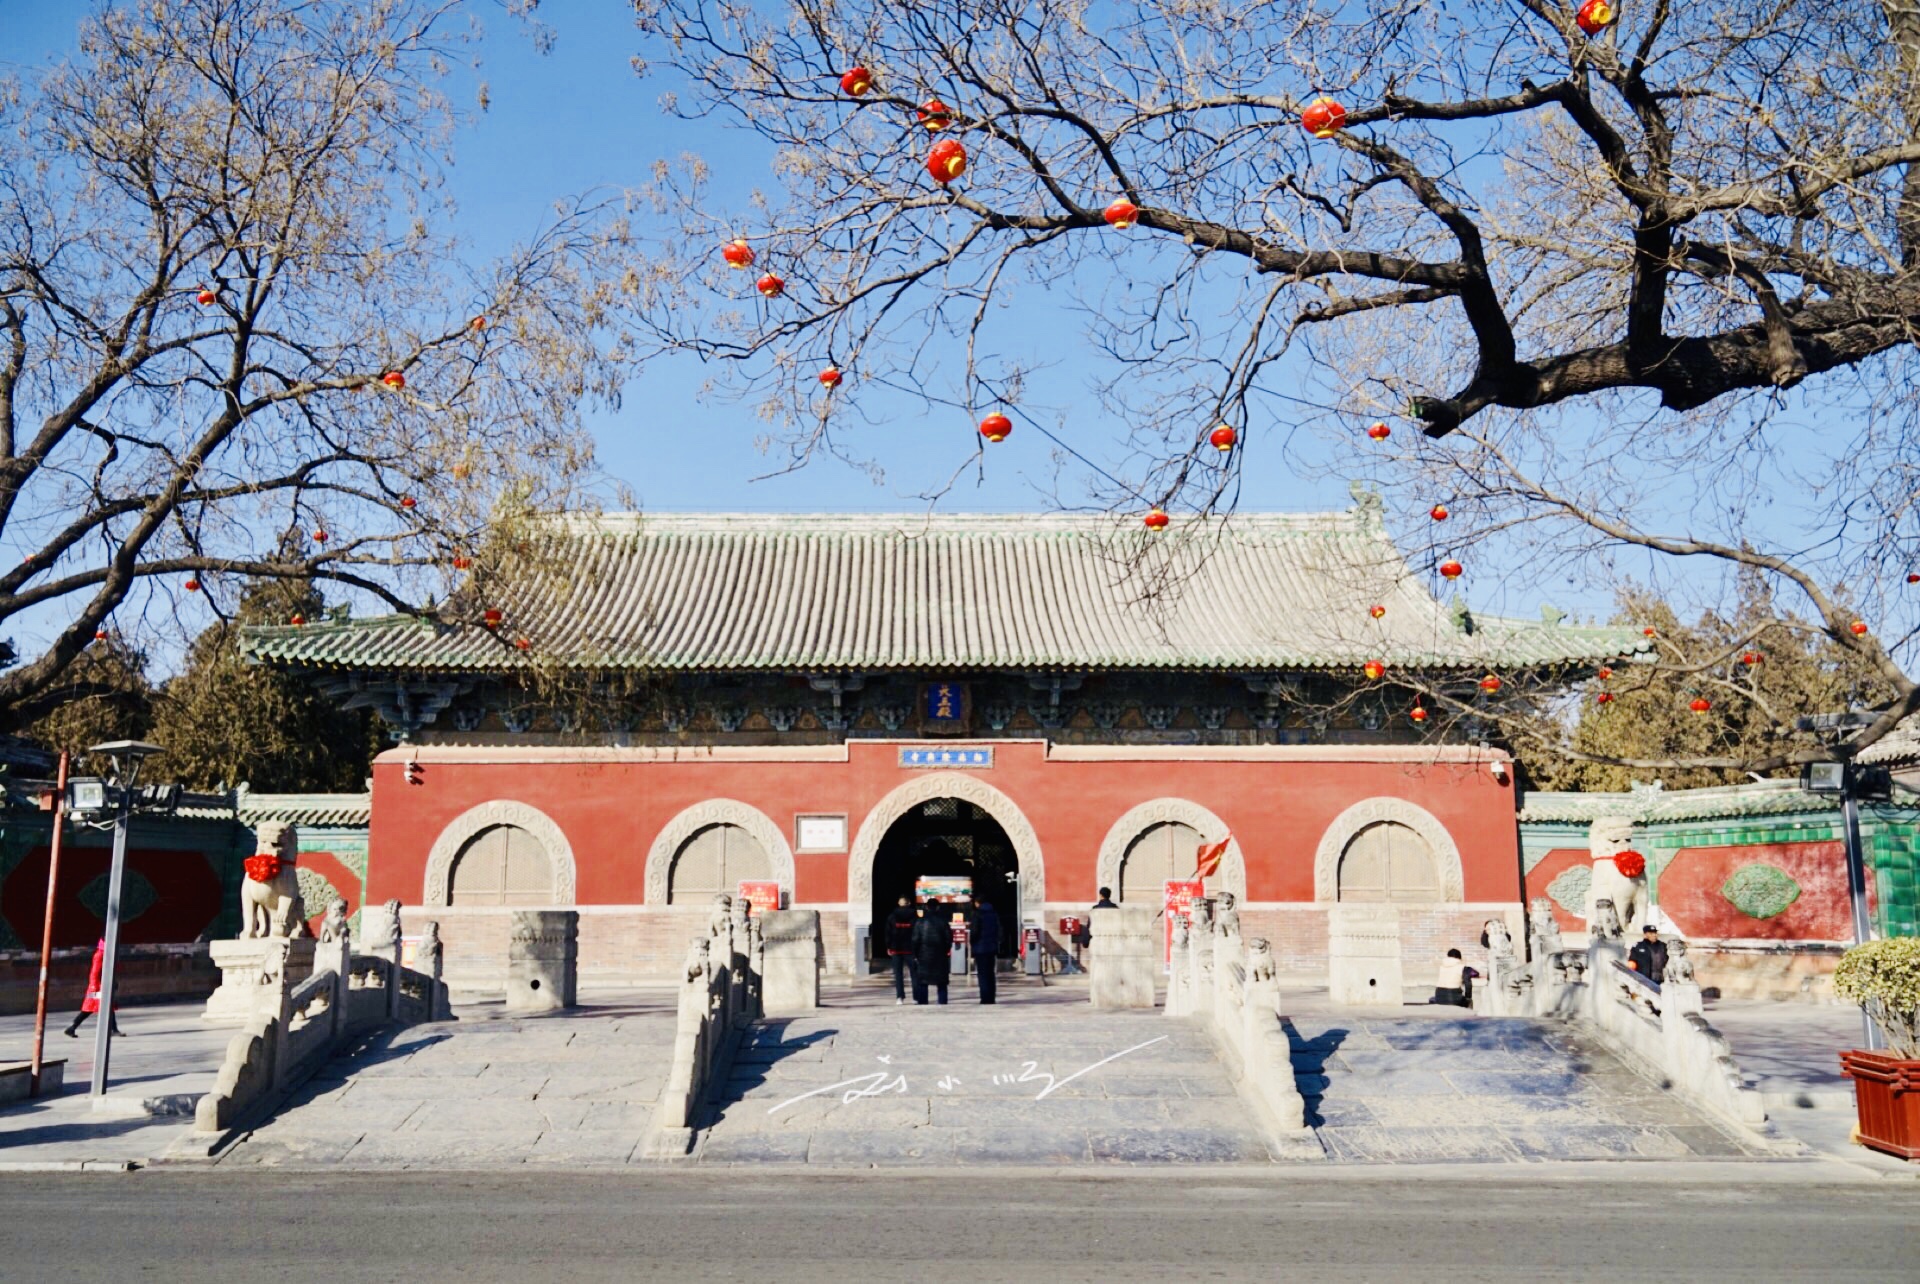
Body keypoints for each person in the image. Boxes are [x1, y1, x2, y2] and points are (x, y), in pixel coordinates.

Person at [64, 938, 123, 1038]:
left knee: (96, 1008)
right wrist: (94, 986)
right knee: (96, 1007)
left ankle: (72, 1028)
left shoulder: (106, 955)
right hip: (97, 987)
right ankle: (114, 1029)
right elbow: (95, 972)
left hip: (101, 986)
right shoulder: (100, 955)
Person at [910, 898, 951, 1006]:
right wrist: (946, 950)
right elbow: (948, 938)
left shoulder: (920, 922)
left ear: (926, 907)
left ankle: (922, 1001)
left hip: (923, 955)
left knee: (923, 980)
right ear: (938, 907)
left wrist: (915, 954)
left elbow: (915, 939)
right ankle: (942, 1001)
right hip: (940, 954)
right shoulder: (943, 921)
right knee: (941, 981)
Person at [884, 896, 918, 1005]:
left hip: (896, 948)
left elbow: (888, 933)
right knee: (914, 974)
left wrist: (889, 946)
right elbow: (917, 933)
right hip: (910, 949)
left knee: (898, 974)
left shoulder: (892, 917)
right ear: (909, 903)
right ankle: (916, 998)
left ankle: (900, 997)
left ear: (899, 903)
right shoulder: (915, 916)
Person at [971, 899, 1001, 1004]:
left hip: (980, 948)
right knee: (990, 973)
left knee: (983, 974)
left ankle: (985, 998)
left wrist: (972, 942)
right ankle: (991, 997)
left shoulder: (977, 914)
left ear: (977, 903)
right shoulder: (994, 914)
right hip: (992, 947)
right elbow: (1000, 930)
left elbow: (974, 931)